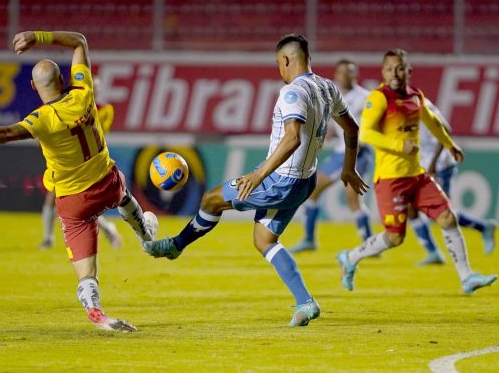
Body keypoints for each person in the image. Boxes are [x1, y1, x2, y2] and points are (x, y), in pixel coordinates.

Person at [0, 30, 159, 332]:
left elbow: (4, 134)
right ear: (63, 81)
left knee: (86, 270)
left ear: (33, 87)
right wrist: (37, 37)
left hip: (73, 200)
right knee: (123, 191)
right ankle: (144, 232)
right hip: (107, 183)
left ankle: (96, 311)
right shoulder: (84, 93)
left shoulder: (41, 120)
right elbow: (79, 41)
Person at [143, 34, 368, 326]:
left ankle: (175, 246)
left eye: (278, 63)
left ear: (286, 60)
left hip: (280, 179)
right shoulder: (328, 88)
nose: (279, 69)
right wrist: (348, 168)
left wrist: (258, 175)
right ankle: (305, 302)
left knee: (211, 199)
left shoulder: (292, 92)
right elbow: (352, 129)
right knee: (264, 240)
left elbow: (291, 139)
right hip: (305, 180)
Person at [336, 49, 497, 294]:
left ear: (409, 71)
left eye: (400, 68)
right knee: (395, 238)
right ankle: (350, 257)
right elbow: (365, 133)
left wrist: (449, 144)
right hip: (391, 179)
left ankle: (467, 277)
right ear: (383, 72)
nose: (395, 74)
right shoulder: (379, 97)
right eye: (389, 69)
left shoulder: (415, 95)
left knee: (448, 217)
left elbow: (432, 121)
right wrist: (400, 145)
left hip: (418, 176)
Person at [290, 59, 373, 253]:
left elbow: (370, 124)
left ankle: (369, 245)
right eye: (342, 72)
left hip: (357, 152)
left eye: (350, 72)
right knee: (315, 192)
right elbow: (335, 124)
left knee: (351, 200)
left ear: (356, 74)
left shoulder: (365, 98)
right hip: (340, 151)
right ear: (336, 75)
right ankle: (310, 240)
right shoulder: (332, 97)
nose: (346, 75)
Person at [409, 98, 497, 266]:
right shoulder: (398, 108)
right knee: (411, 209)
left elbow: (446, 130)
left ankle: (483, 227)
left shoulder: (420, 104)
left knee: (441, 213)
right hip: (422, 165)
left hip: (442, 165)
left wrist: (434, 162)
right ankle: (433, 252)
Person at [39, 76, 123, 250]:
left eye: (97, 87)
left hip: (91, 162)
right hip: (71, 161)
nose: (94, 89)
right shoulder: (71, 107)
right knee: (54, 198)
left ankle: (109, 229)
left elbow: (100, 132)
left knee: (84, 206)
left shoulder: (105, 109)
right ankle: (48, 238)